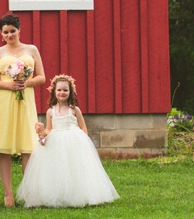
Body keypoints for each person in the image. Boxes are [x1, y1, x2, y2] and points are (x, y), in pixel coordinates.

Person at [17, 75, 119, 207]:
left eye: (65, 90)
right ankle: (58, 195)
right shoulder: (50, 112)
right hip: (56, 142)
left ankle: (78, 195)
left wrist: (84, 144)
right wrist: (41, 132)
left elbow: (83, 127)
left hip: (73, 141)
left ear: (70, 92)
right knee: (58, 169)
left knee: (74, 169)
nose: (62, 93)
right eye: (59, 90)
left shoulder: (74, 110)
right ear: (54, 91)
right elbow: (49, 129)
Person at [0, 13, 45, 207]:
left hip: (25, 99)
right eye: (5, 32)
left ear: (19, 30)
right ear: (1, 34)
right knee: (4, 147)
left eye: (13, 31)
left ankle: (28, 190)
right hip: (4, 99)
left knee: (27, 145)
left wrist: (26, 82)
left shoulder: (32, 49)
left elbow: (42, 77)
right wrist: (9, 85)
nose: (10, 35)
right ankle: (8, 193)